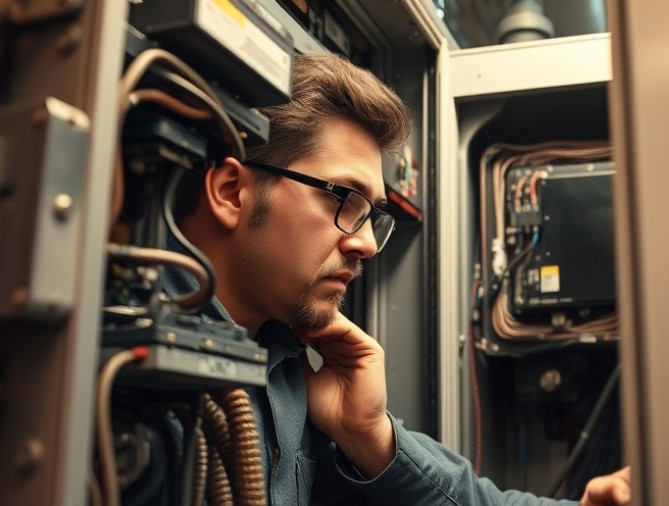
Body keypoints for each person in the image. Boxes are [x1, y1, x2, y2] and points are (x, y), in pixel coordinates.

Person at [170, 51, 631, 505]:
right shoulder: (133, 372)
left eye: (372, 215)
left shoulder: (290, 377)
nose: (367, 244)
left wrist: (370, 434)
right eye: (343, 199)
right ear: (231, 193)